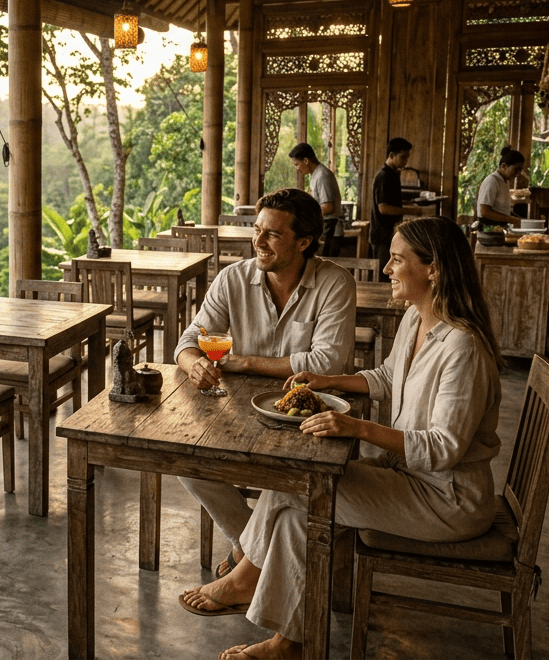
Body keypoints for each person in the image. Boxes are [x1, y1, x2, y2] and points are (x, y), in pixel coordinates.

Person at [180, 216, 503, 660]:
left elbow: (444, 448)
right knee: (296, 512)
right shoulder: (415, 320)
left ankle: (244, 577)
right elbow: (388, 377)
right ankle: (289, 642)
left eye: (396, 260)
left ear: (434, 269)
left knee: (297, 484)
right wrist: (326, 381)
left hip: (448, 499)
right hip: (409, 479)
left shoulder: (462, 347)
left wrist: (356, 427)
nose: (387, 269)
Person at [175, 188, 357, 577]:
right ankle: (251, 550)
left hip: (309, 417)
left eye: (271, 234)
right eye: (256, 230)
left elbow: (326, 362)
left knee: (291, 475)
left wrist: (239, 361)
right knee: (186, 461)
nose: (257, 241)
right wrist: (193, 364)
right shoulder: (232, 279)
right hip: (238, 412)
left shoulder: (334, 283)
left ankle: (247, 563)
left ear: (303, 242)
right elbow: (190, 340)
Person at [288, 142, 343, 257]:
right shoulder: (314, 175)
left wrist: (306, 215)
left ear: (306, 161)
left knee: (324, 269)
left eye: (297, 164)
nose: (297, 169)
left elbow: (328, 207)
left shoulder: (322, 175)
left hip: (331, 229)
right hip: (325, 227)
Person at [369, 137, 411, 272]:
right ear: (391, 155)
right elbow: (384, 208)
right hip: (382, 235)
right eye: (403, 157)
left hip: (390, 234)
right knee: (383, 275)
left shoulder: (393, 175)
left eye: (407, 157)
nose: (406, 161)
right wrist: (413, 211)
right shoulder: (383, 177)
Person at [475, 147, 527, 227]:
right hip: (489, 228)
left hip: (500, 226)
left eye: (520, 170)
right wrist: (512, 220)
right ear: (504, 166)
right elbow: (484, 211)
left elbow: (504, 211)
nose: (518, 173)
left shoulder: (504, 181)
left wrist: (522, 220)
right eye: (516, 169)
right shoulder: (492, 181)